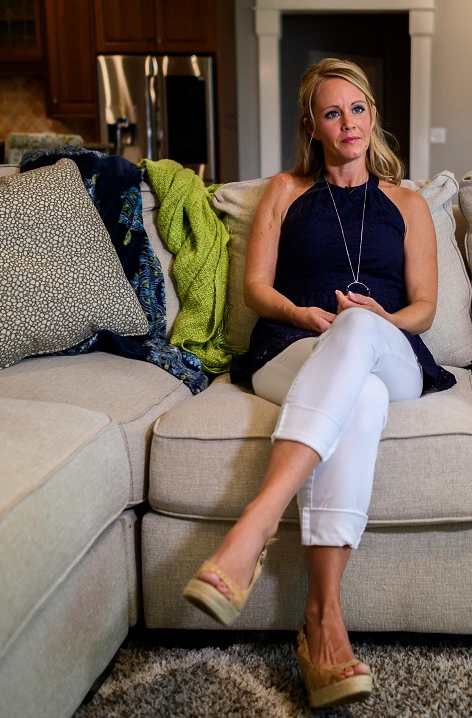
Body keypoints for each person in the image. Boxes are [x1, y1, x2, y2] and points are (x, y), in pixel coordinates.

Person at [182, 57, 455, 709]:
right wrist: (300, 314)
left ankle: (255, 525)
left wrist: (375, 320)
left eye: (357, 108)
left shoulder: (408, 203)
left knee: (357, 332)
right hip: (294, 347)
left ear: (373, 117)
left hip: (389, 349)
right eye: (332, 112)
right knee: (355, 388)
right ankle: (323, 622)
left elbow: (425, 307)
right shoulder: (283, 191)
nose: (348, 122)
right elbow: (255, 287)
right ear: (312, 125)